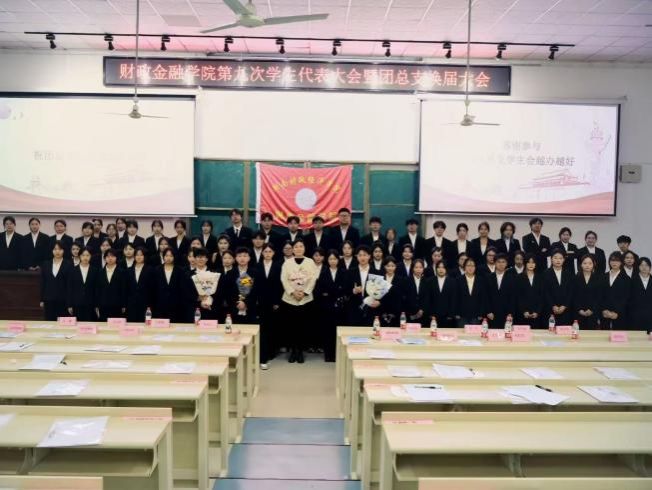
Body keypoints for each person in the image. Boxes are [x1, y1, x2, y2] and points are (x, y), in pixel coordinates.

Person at [280, 239, 318, 363]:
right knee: (291, 326)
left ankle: (300, 351)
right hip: (290, 299)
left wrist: (305, 292)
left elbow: (313, 279)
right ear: (292, 249)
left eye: (301, 246)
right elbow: (284, 279)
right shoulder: (287, 263)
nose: (298, 249)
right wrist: (293, 292)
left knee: (303, 326)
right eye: (296, 246)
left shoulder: (310, 262)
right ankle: (293, 351)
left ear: (304, 248)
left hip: (305, 299)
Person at [317, 250, 349, 360]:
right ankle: (329, 355)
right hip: (327, 307)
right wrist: (332, 292)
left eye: (335, 259)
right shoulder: (323, 272)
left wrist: (331, 292)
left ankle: (338, 355)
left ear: (338, 260)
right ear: (327, 260)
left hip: (340, 307)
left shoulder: (344, 272)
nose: (333, 261)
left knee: (339, 331)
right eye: (330, 259)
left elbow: (345, 289)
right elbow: (320, 290)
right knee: (328, 331)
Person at [255, 243, 283, 367]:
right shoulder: (256, 266)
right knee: (262, 327)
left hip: (273, 302)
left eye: (270, 252)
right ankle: (263, 352)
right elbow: (254, 285)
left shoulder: (278, 266)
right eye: (265, 251)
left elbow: (280, 285)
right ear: (262, 253)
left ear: (273, 253)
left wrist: (277, 301)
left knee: (272, 327)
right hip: (260, 301)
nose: (267, 254)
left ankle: (272, 351)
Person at [151, 248, 188, 322]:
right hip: (160, 304)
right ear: (163, 257)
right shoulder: (156, 270)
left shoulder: (180, 270)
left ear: (174, 257)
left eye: (171, 256)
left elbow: (182, 289)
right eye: (166, 255)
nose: (168, 258)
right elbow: (153, 288)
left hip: (176, 305)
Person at [40, 241, 72, 320]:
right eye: (55, 249)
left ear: (63, 250)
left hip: (63, 300)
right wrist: (41, 300)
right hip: (48, 299)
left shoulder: (69, 264)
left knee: (62, 323)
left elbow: (70, 285)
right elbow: (43, 283)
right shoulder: (46, 264)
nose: (57, 251)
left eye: (60, 249)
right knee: (49, 321)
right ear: (52, 251)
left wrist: (69, 303)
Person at [543, 249, 574, 326]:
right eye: (555, 258)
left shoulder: (569, 273)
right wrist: (553, 305)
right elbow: (545, 292)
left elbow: (571, 292)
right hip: (550, 310)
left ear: (564, 260)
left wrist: (564, 306)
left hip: (565, 310)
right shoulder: (545, 273)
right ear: (551, 259)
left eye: (560, 258)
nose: (558, 260)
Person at [66, 246, 98, 321]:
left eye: (87, 255)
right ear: (80, 256)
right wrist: (69, 305)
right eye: (83, 255)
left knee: (90, 324)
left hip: (91, 304)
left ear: (91, 256)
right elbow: (69, 288)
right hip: (76, 304)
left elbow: (97, 289)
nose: (85, 257)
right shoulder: (73, 270)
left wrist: (97, 305)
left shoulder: (95, 270)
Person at [347, 245, 376, 326]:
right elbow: (345, 290)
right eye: (360, 255)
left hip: (371, 309)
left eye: (365, 255)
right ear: (357, 257)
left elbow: (381, 291)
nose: (362, 257)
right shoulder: (350, 272)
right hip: (354, 308)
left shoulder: (377, 272)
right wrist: (353, 291)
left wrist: (378, 302)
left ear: (369, 256)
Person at [601, 251, 631, 330]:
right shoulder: (603, 276)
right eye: (612, 260)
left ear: (621, 262)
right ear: (609, 261)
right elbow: (600, 295)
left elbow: (626, 297)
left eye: (617, 260)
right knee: (604, 335)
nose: (614, 262)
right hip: (604, 313)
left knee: (618, 335)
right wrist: (603, 310)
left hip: (619, 314)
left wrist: (617, 312)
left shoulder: (626, 278)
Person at [454, 257, 488, 326]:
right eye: (468, 265)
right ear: (464, 267)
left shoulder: (481, 280)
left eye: (472, 266)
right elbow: (455, 297)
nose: (470, 268)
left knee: (475, 332)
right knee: (462, 332)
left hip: (476, 315)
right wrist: (456, 313)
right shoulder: (458, 280)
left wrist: (481, 313)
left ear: (475, 268)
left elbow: (483, 298)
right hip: (461, 314)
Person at [94, 249, 127, 321]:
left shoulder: (122, 272)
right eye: (108, 256)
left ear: (116, 258)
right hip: (103, 305)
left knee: (116, 325)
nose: (110, 258)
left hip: (117, 305)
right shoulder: (100, 272)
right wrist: (97, 305)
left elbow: (124, 289)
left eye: (112, 256)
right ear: (105, 258)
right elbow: (97, 290)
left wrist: (124, 305)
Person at [486, 253, 516, 329]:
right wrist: (488, 311)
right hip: (492, 314)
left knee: (506, 334)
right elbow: (486, 296)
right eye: (498, 262)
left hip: (506, 314)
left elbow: (513, 297)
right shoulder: (488, 277)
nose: (501, 264)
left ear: (506, 263)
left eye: (503, 262)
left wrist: (510, 313)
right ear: (495, 263)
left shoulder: (512, 278)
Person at [423, 260, 455, 327]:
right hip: (433, 316)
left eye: (443, 267)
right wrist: (430, 314)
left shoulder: (452, 282)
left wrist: (451, 315)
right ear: (436, 269)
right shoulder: (429, 281)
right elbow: (427, 299)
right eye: (439, 267)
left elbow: (453, 299)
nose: (441, 269)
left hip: (447, 317)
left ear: (446, 269)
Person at [572, 254, 601, 330]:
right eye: (585, 263)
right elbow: (573, 296)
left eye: (590, 263)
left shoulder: (598, 278)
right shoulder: (575, 278)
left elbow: (599, 296)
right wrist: (579, 309)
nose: (587, 265)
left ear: (593, 264)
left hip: (593, 313)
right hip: (578, 312)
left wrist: (592, 310)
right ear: (581, 265)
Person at [515, 254, 544, 328]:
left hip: (537, 314)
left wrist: (537, 311)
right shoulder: (518, 277)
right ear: (525, 263)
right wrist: (524, 311)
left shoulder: (540, 277)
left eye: (533, 262)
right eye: (529, 262)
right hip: (522, 314)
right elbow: (518, 297)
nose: (531, 264)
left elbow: (542, 296)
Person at [126, 247, 152, 323]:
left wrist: (150, 304)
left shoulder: (150, 270)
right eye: (137, 255)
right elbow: (126, 288)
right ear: (134, 256)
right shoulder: (129, 270)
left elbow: (152, 289)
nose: (139, 257)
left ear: (144, 256)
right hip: (131, 304)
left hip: (145, 303)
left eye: (141, 255)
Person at [232, 247, 258, 323]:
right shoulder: (230, 273)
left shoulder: (256, 273)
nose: (242, 258)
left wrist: (246, 303)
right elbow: (229, 293)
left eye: (245, 256)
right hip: (234, 309)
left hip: (251, 308)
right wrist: (238, 303)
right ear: (235, 258)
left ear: (249, 258)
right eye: (239, 256)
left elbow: (256, 291)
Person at [378, 256, 404, 327]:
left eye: (392, 266)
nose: (390, 268)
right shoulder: (380, 278)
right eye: (388, 266)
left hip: (395, 311)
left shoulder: (400, 279)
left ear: (395, 266)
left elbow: (400, 297)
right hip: (382, 309)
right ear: (384, 266)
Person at [629, 257, 652, 333]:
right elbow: (629, 299)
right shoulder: (632, 281)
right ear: (638, 267)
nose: (644, 267)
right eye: (642, 265)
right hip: (635, 317)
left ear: (650, 267)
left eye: (646, 265)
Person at [403, 258, 428, 326]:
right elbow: (404, 297)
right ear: (412, 268)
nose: (418, 269)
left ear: (423, 269)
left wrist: (422, 309)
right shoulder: (406, 280)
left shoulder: (427, 281)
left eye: (420, 267)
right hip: (409, 314)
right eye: (416, 267)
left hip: (423, 314)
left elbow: (427, 297)